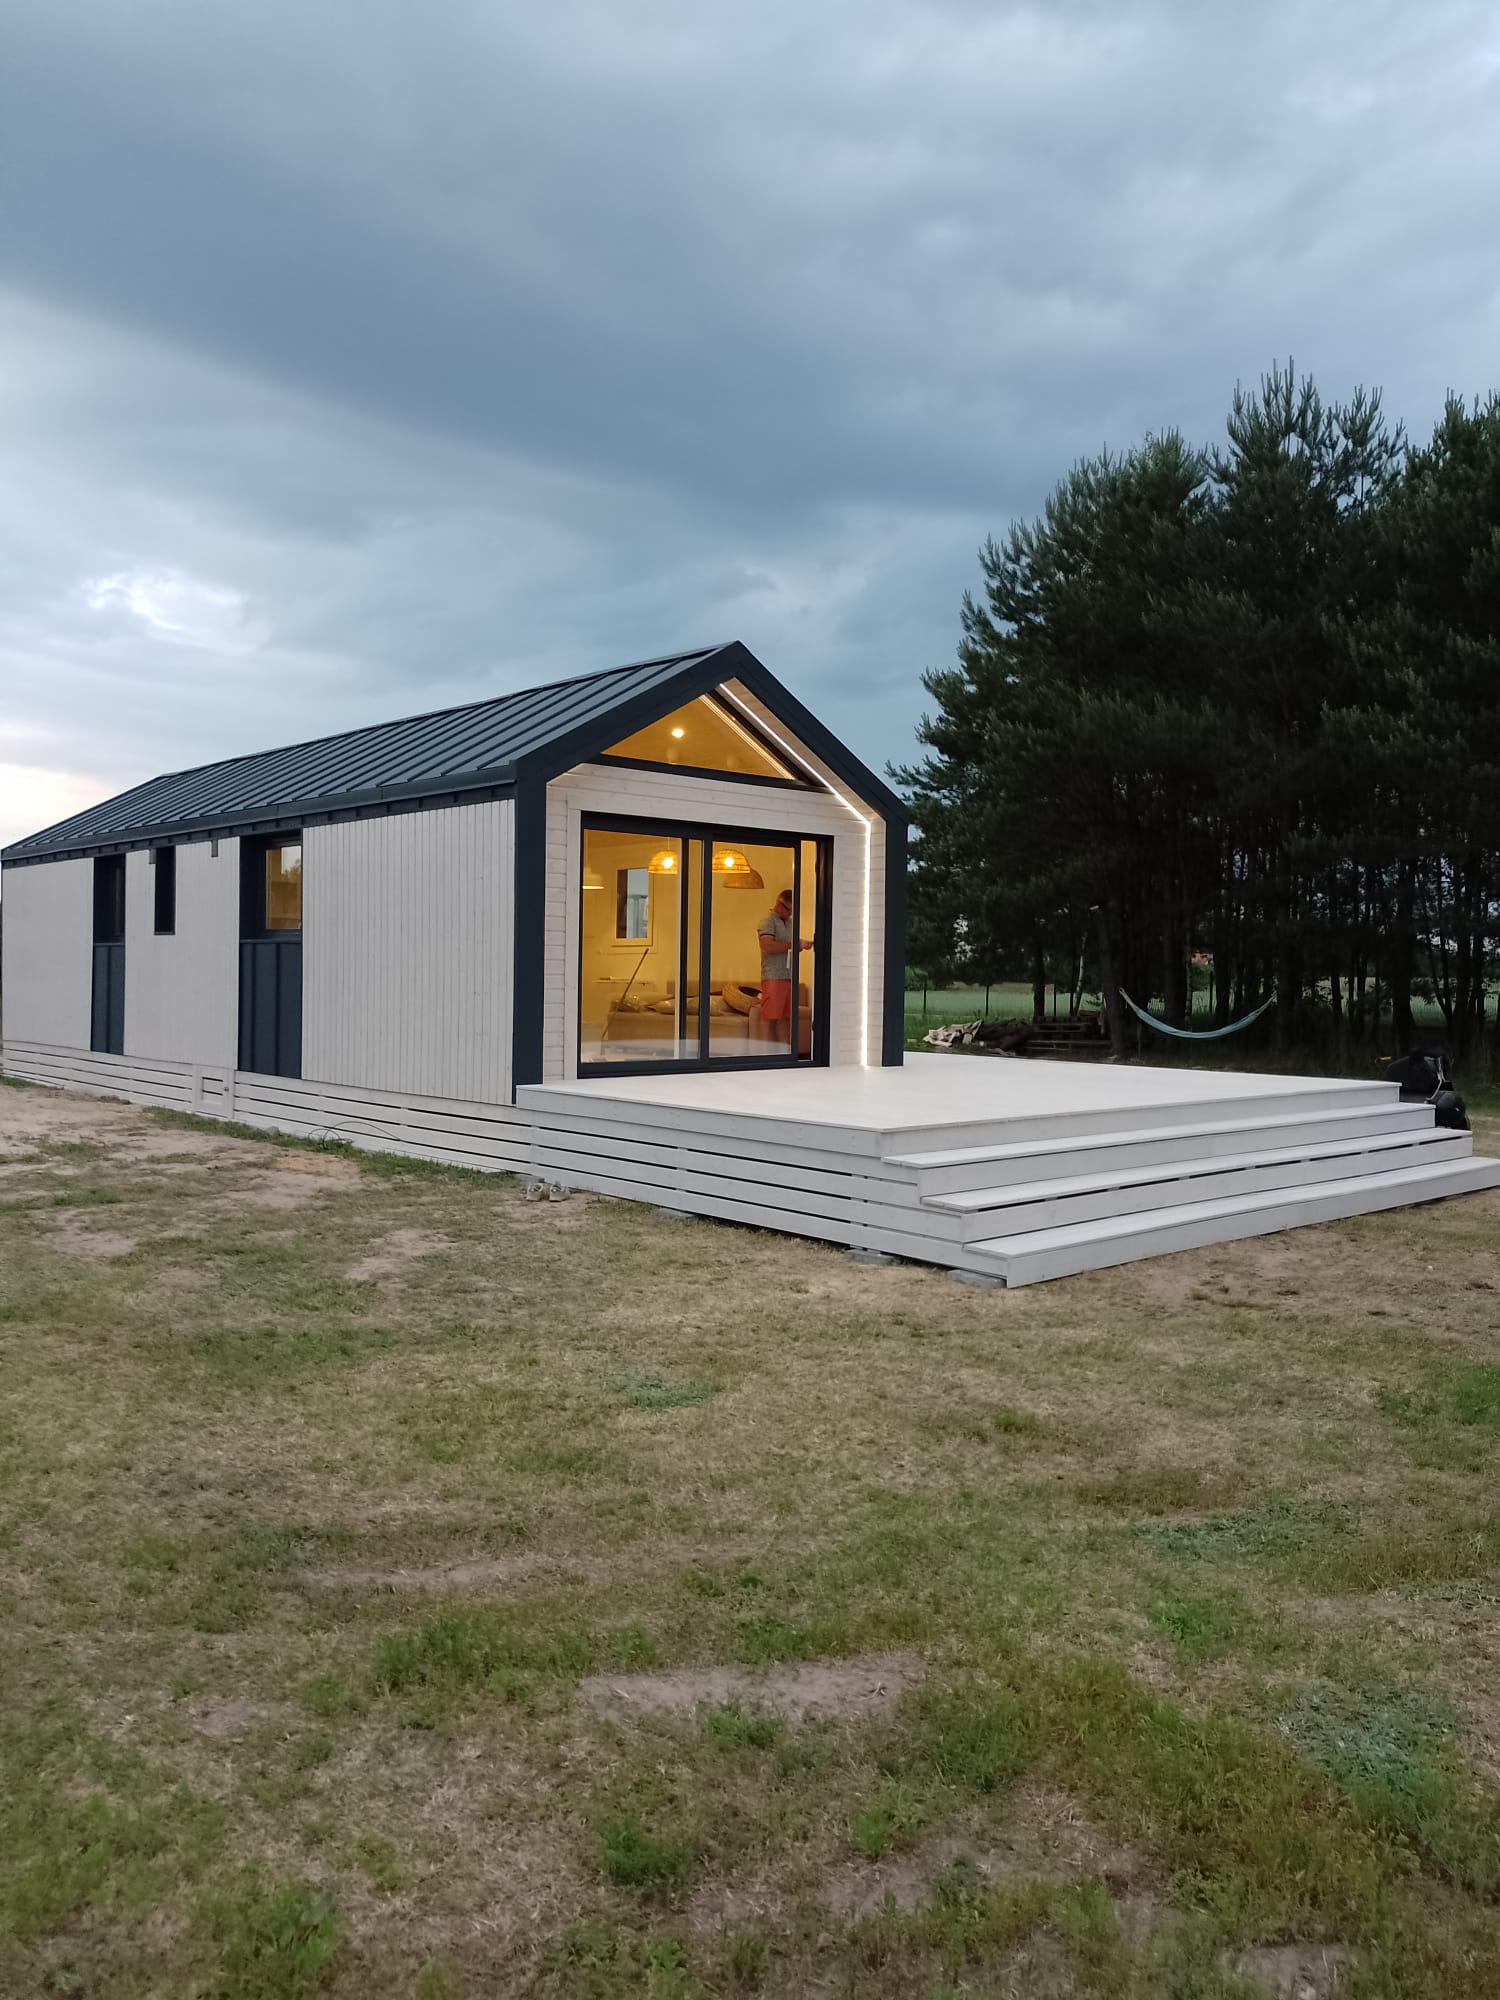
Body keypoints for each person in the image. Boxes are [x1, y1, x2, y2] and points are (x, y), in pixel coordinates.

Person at [757, 889, 812, 1045]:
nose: (790, 914)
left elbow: (790, 943)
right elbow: (768, 946)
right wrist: (793, 944)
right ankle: (763, 1054)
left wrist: (802, 943)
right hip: (773, 976)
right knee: (769, 1017)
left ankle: (785, 1052)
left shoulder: (790, 922)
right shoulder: (768, 921)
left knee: (785, 1018)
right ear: (779, 904)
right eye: (788, 910)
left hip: (788, 976)